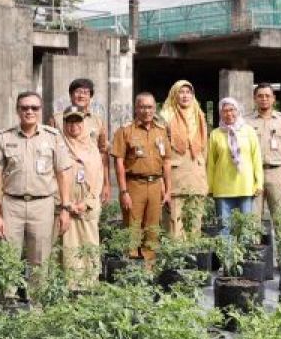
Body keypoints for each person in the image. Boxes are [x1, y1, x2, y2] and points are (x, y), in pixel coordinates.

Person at [0, 91, 74, 287]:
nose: (29, 111)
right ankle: (8, 302)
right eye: (24, 108)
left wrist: (65, 209)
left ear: (40, 110)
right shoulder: (4, 137)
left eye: (34, 108)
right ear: (17, 110)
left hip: (42, 205)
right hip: (12, 205)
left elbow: (63, 174)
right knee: (8, 258)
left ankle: (36, 308)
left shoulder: (53, 137)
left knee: (40, 260)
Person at [111, 92, 171, 264]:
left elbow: (166, 161)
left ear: (155, 108)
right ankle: (131, 268)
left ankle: (149, 268)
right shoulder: (125, 131)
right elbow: (119, 163)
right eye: (143, 107)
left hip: (155, 185)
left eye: (150, 107)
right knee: (133, 227)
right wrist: (123, 191)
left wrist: (168, 190)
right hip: (133, 185)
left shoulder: (161, 130)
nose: (147, 111)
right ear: (136, 108)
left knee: (152, 229)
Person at [58, 105, 103, 289]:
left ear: (84, 123)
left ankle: (88, 289)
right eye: (69, 121)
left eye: (77, 120)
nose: (73, 125)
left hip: (87, 209)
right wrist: (66, 204)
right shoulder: (59, 146)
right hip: (66, 209)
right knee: (66, 251)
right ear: (64, 123)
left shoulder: (92, 149)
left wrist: (88, 202)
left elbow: (98, 178)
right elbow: (53, 177)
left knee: (88, 247)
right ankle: (68, 290)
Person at [159, 80, 208, 239]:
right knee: (174, 223)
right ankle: (176, 260)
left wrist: (205, 175)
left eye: (188, 92)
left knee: (194, 221)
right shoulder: (165, 116)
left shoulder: (199, 115)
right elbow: (160, 150)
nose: (185, 95)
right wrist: (162, 181)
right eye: (181, 92)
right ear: (174, 94)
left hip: (196, 174)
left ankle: (193, 260)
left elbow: (204, 148)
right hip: (175, 176)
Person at [207, 97, 263, 236]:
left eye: (232, 109)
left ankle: (244, 256)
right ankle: (226, 257)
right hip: (222, 188)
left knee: (245, 226)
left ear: (238, 111)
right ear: (220, 113)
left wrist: (259, 183)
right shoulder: (215, 134)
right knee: (224, 227)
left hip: (245, 186)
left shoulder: (249, 131)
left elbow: (256, 158)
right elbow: (211, 164)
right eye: (224, 110)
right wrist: (210, 187)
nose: (228, 113)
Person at [51, 78, 112, 205]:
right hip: (65, 177)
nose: (82, 95)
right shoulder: (57, 119)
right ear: (71, 95)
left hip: (90, 177)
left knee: (88, 216)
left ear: (90, 97)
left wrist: (106, 183)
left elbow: (103, 153)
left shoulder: (97, 121)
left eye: (86, 92)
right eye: (78, 91)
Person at [245, 83, 281, 226]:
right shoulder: (245, 122)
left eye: (267, 96)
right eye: (260, 96)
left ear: (273, 98)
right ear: (254, 99)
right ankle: (254, 247)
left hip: (277, 173)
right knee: (252, 218)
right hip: (253, 175)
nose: (264, 99)